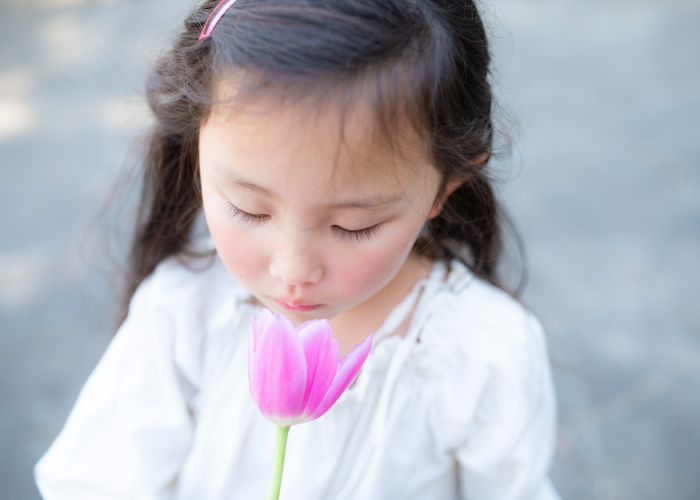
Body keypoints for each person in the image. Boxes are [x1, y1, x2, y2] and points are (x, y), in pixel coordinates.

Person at [34, 0, 559, 498]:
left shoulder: (482, 353)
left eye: (354, 226)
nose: (292, 270)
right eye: (249, 210)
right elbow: (96, 481)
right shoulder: (186, 315)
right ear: (196, 150)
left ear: (445, 187)